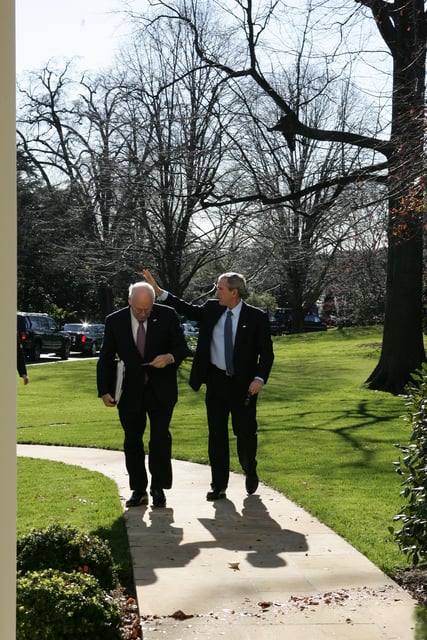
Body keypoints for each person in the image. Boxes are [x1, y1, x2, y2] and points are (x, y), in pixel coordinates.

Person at [143, 268, 274, 501]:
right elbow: (187, 309)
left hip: (244, 386)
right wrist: (159, 291)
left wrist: (259, 379)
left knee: (244, 433)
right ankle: (218, 485)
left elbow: (267, 353)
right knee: (216, 435)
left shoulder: (256, 317)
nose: (217, 292)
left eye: (220, 288)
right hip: (216, 382)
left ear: (234, 292)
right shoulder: (212, 309)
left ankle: (249, 467)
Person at [96, 281, 189, 508]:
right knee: (132, 441)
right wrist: (104, 390)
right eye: (138, 309)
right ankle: (138, 489)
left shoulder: (167, 316)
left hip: (161, 391)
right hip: (130, 392)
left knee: (159, 438)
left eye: (148, 309)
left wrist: (168, 358)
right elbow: (106, 357)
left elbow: (182, 348)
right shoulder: (115, 321)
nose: (143, 314)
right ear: (129, 302)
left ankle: (158, 488)